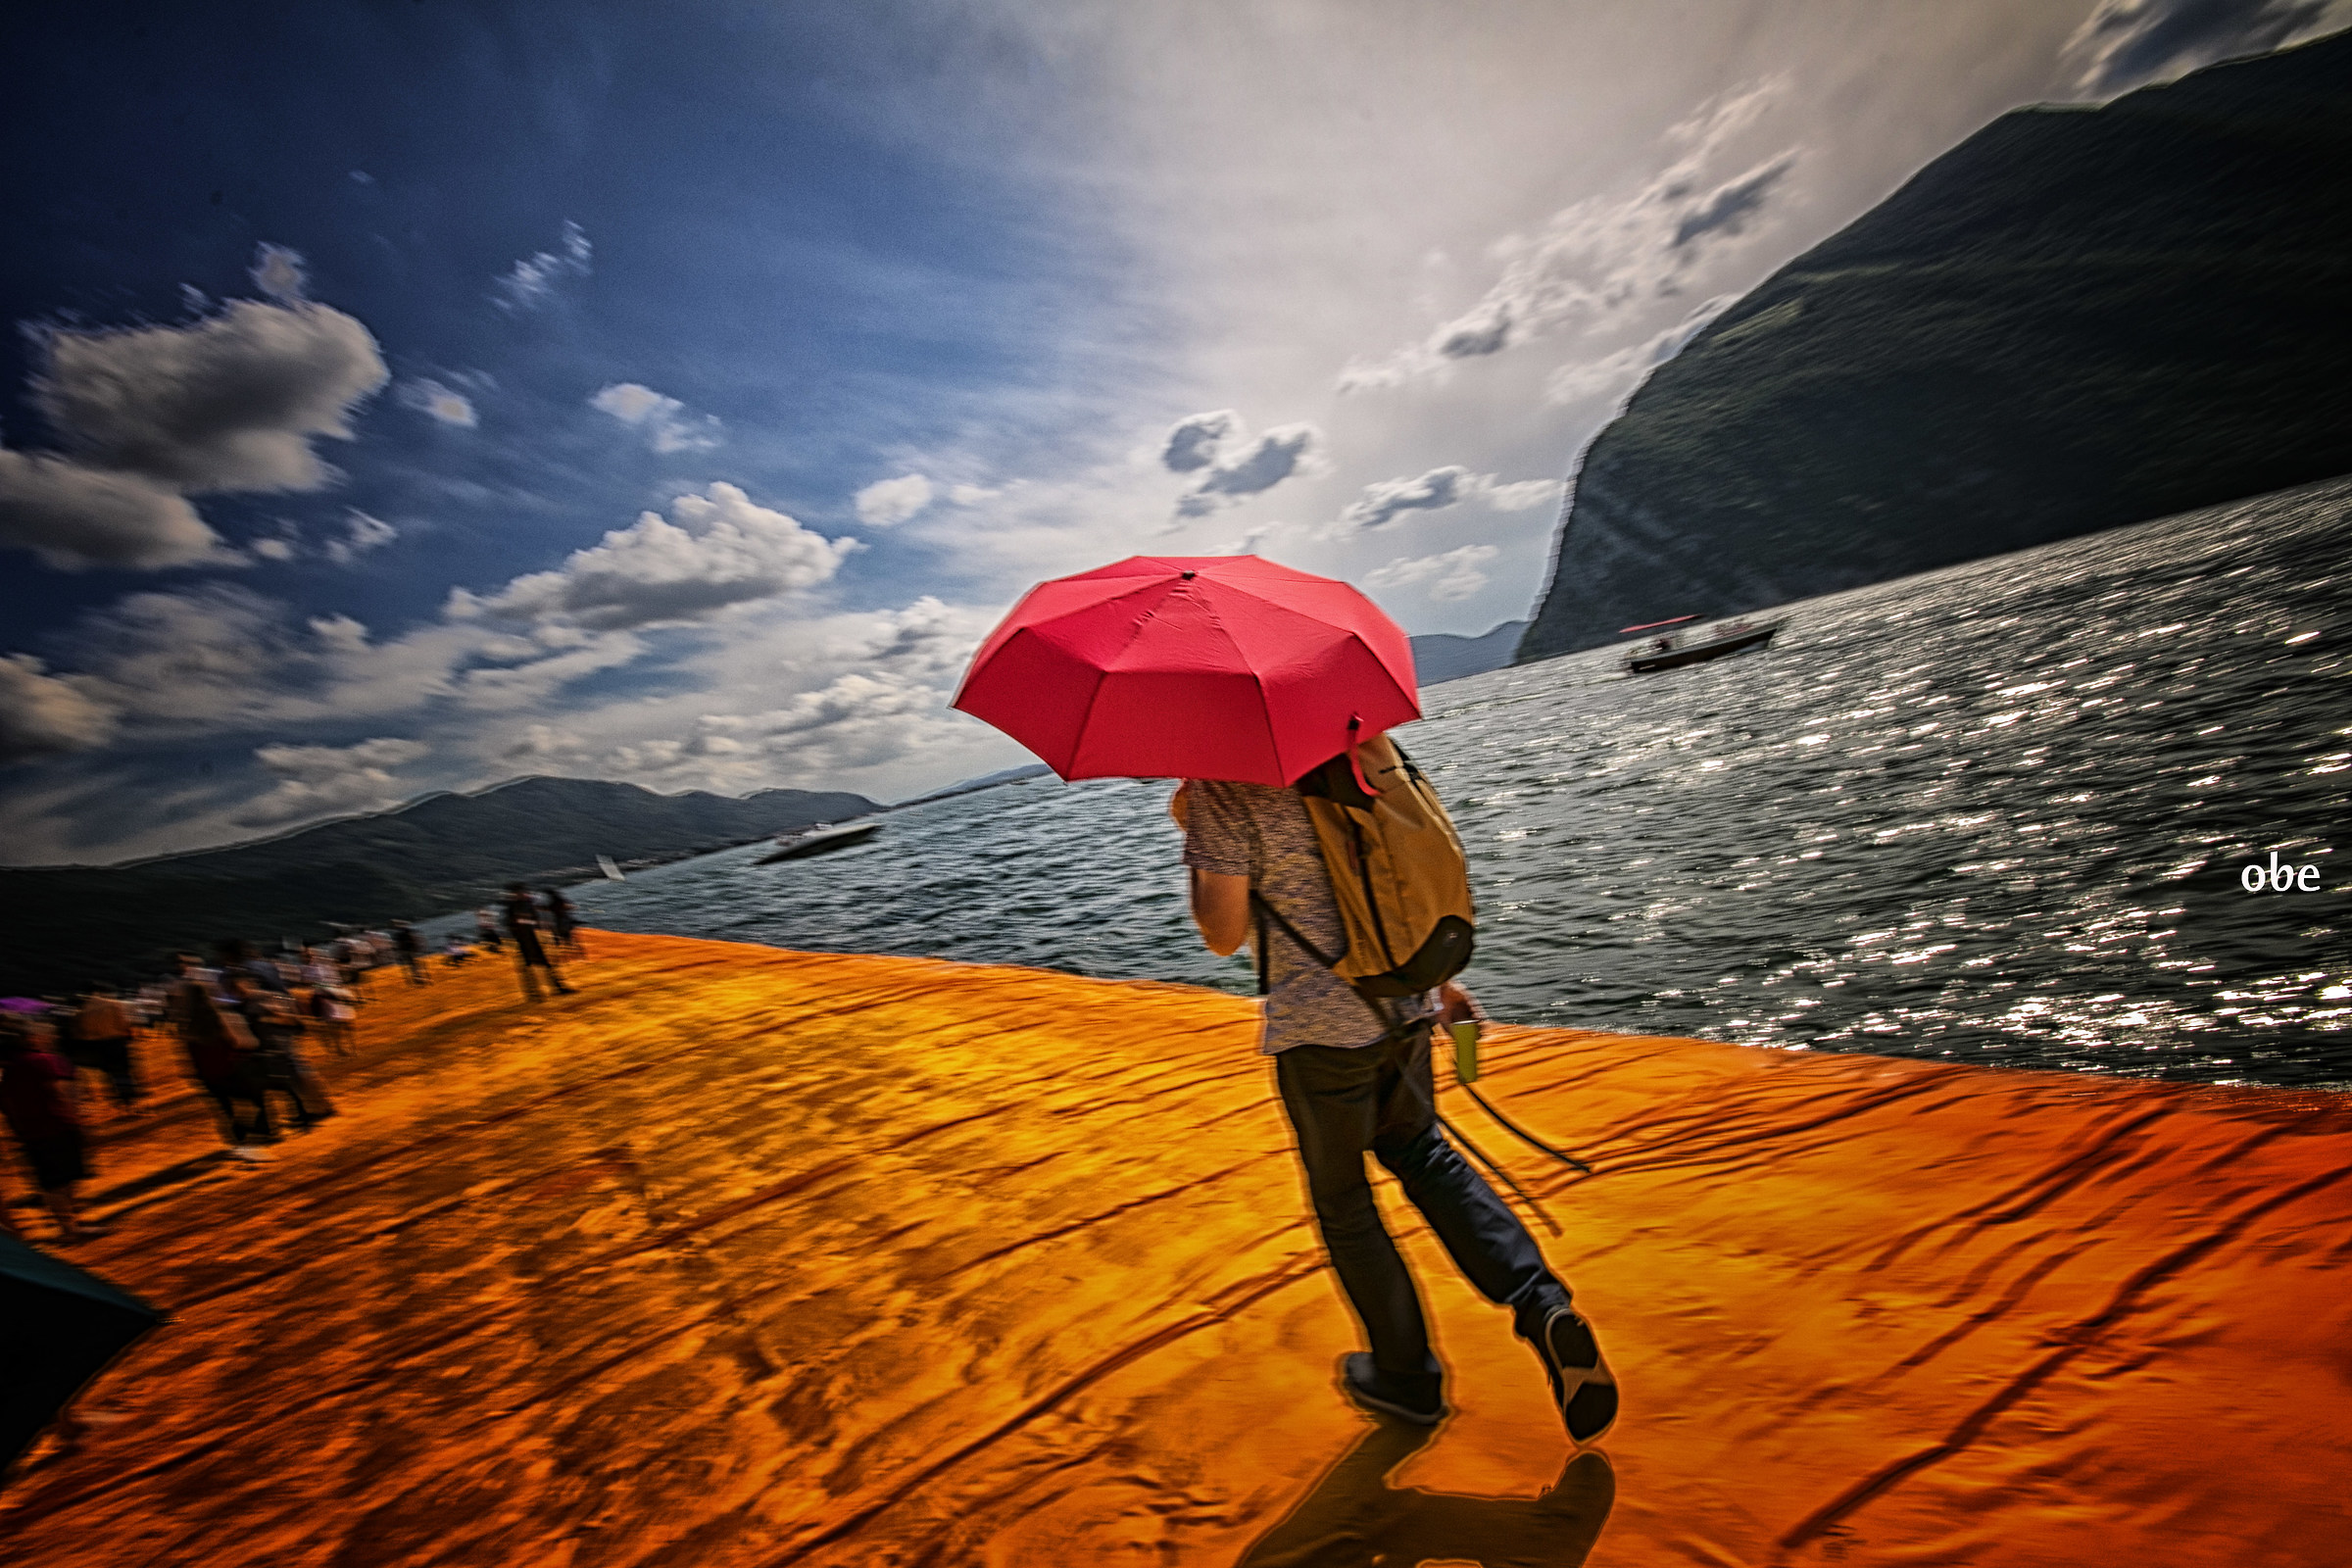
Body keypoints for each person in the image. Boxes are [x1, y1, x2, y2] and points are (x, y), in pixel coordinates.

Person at [1173, 771, 1618, 1446]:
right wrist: (1442, 983)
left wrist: (1201, 844)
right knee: (1426, 1154)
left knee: (1346, 1205)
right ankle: (1541, 1303)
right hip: (1402, 1000)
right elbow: (1393, 886)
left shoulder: (1222, 788)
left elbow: (1222, 933)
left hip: (1321, 1033)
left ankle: (1406, 1375)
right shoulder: (1350, 752)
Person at [1, 1019, 103, 1243]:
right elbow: (60, 1095)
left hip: (29, 1135)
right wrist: (79, 1124)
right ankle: (71, 1229)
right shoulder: (43, 1061)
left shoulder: (6, 1075)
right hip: (57, 1128)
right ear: (28, 1040)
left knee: (51, 1182)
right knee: (64, 1181)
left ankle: (69, 1224)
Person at [172, 958, 275, 1159]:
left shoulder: (185, 1026)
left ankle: (237, 1144)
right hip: (230, 1069)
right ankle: (254, 1138)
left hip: (207, 1074)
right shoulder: (217, 1017)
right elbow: (237, 1042)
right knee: (252, 1102)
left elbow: (188, 1053)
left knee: (225, 1110)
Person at [67, 984, 141, 1113]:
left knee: (110, 1072)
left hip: (99, 1044)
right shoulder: (113, 1004)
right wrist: (126, 1034)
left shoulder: (81, 1012)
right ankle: (129, 1097)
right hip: (116, 1041)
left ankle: (120, 1097)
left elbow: (81, 1034)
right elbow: (123, 1023)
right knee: (123, 1070)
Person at [502, 883, 574, 1001]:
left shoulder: (526, 905)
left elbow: (537, 921)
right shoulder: (513, 908)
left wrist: (546, 934)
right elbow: (511, 926)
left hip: (533, 939)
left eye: (521, 892)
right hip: (523, 942)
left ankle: (556, 988)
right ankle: (534, 993)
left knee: (545, 965)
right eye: (519, 892)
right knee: (528, 968)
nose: (521, 894)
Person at [542, 886, 581, 956]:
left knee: (558, 934)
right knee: (567, 936)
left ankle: (559, 944)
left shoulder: (553, 904)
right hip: (564, 920)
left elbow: (548, 908)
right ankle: (569, 947)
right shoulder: (560, 901)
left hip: (560, 921)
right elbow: (568, 907)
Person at [391, 919, 430, 986]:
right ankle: (417, 978)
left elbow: (398, 944)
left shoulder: (400, 933)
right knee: (413, 965)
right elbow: (414, 940)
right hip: (408, 950)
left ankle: (417, 978)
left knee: (411, 966)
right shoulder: (406, 932)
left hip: (407, 951)